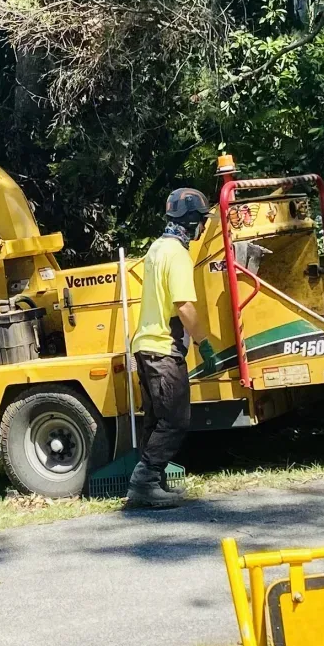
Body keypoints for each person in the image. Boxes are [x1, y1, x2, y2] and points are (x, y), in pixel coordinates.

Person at [126, 187, 208, 510]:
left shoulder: (156, 248)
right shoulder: (177, 254)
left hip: (144, 345)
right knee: (175, 418)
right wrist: (205, 342)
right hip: (163, 349)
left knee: (154, 419)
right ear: (190, 221)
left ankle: (151, 485)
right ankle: (144, 481)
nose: (201, 228)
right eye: (200, 221)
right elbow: (184, 306)